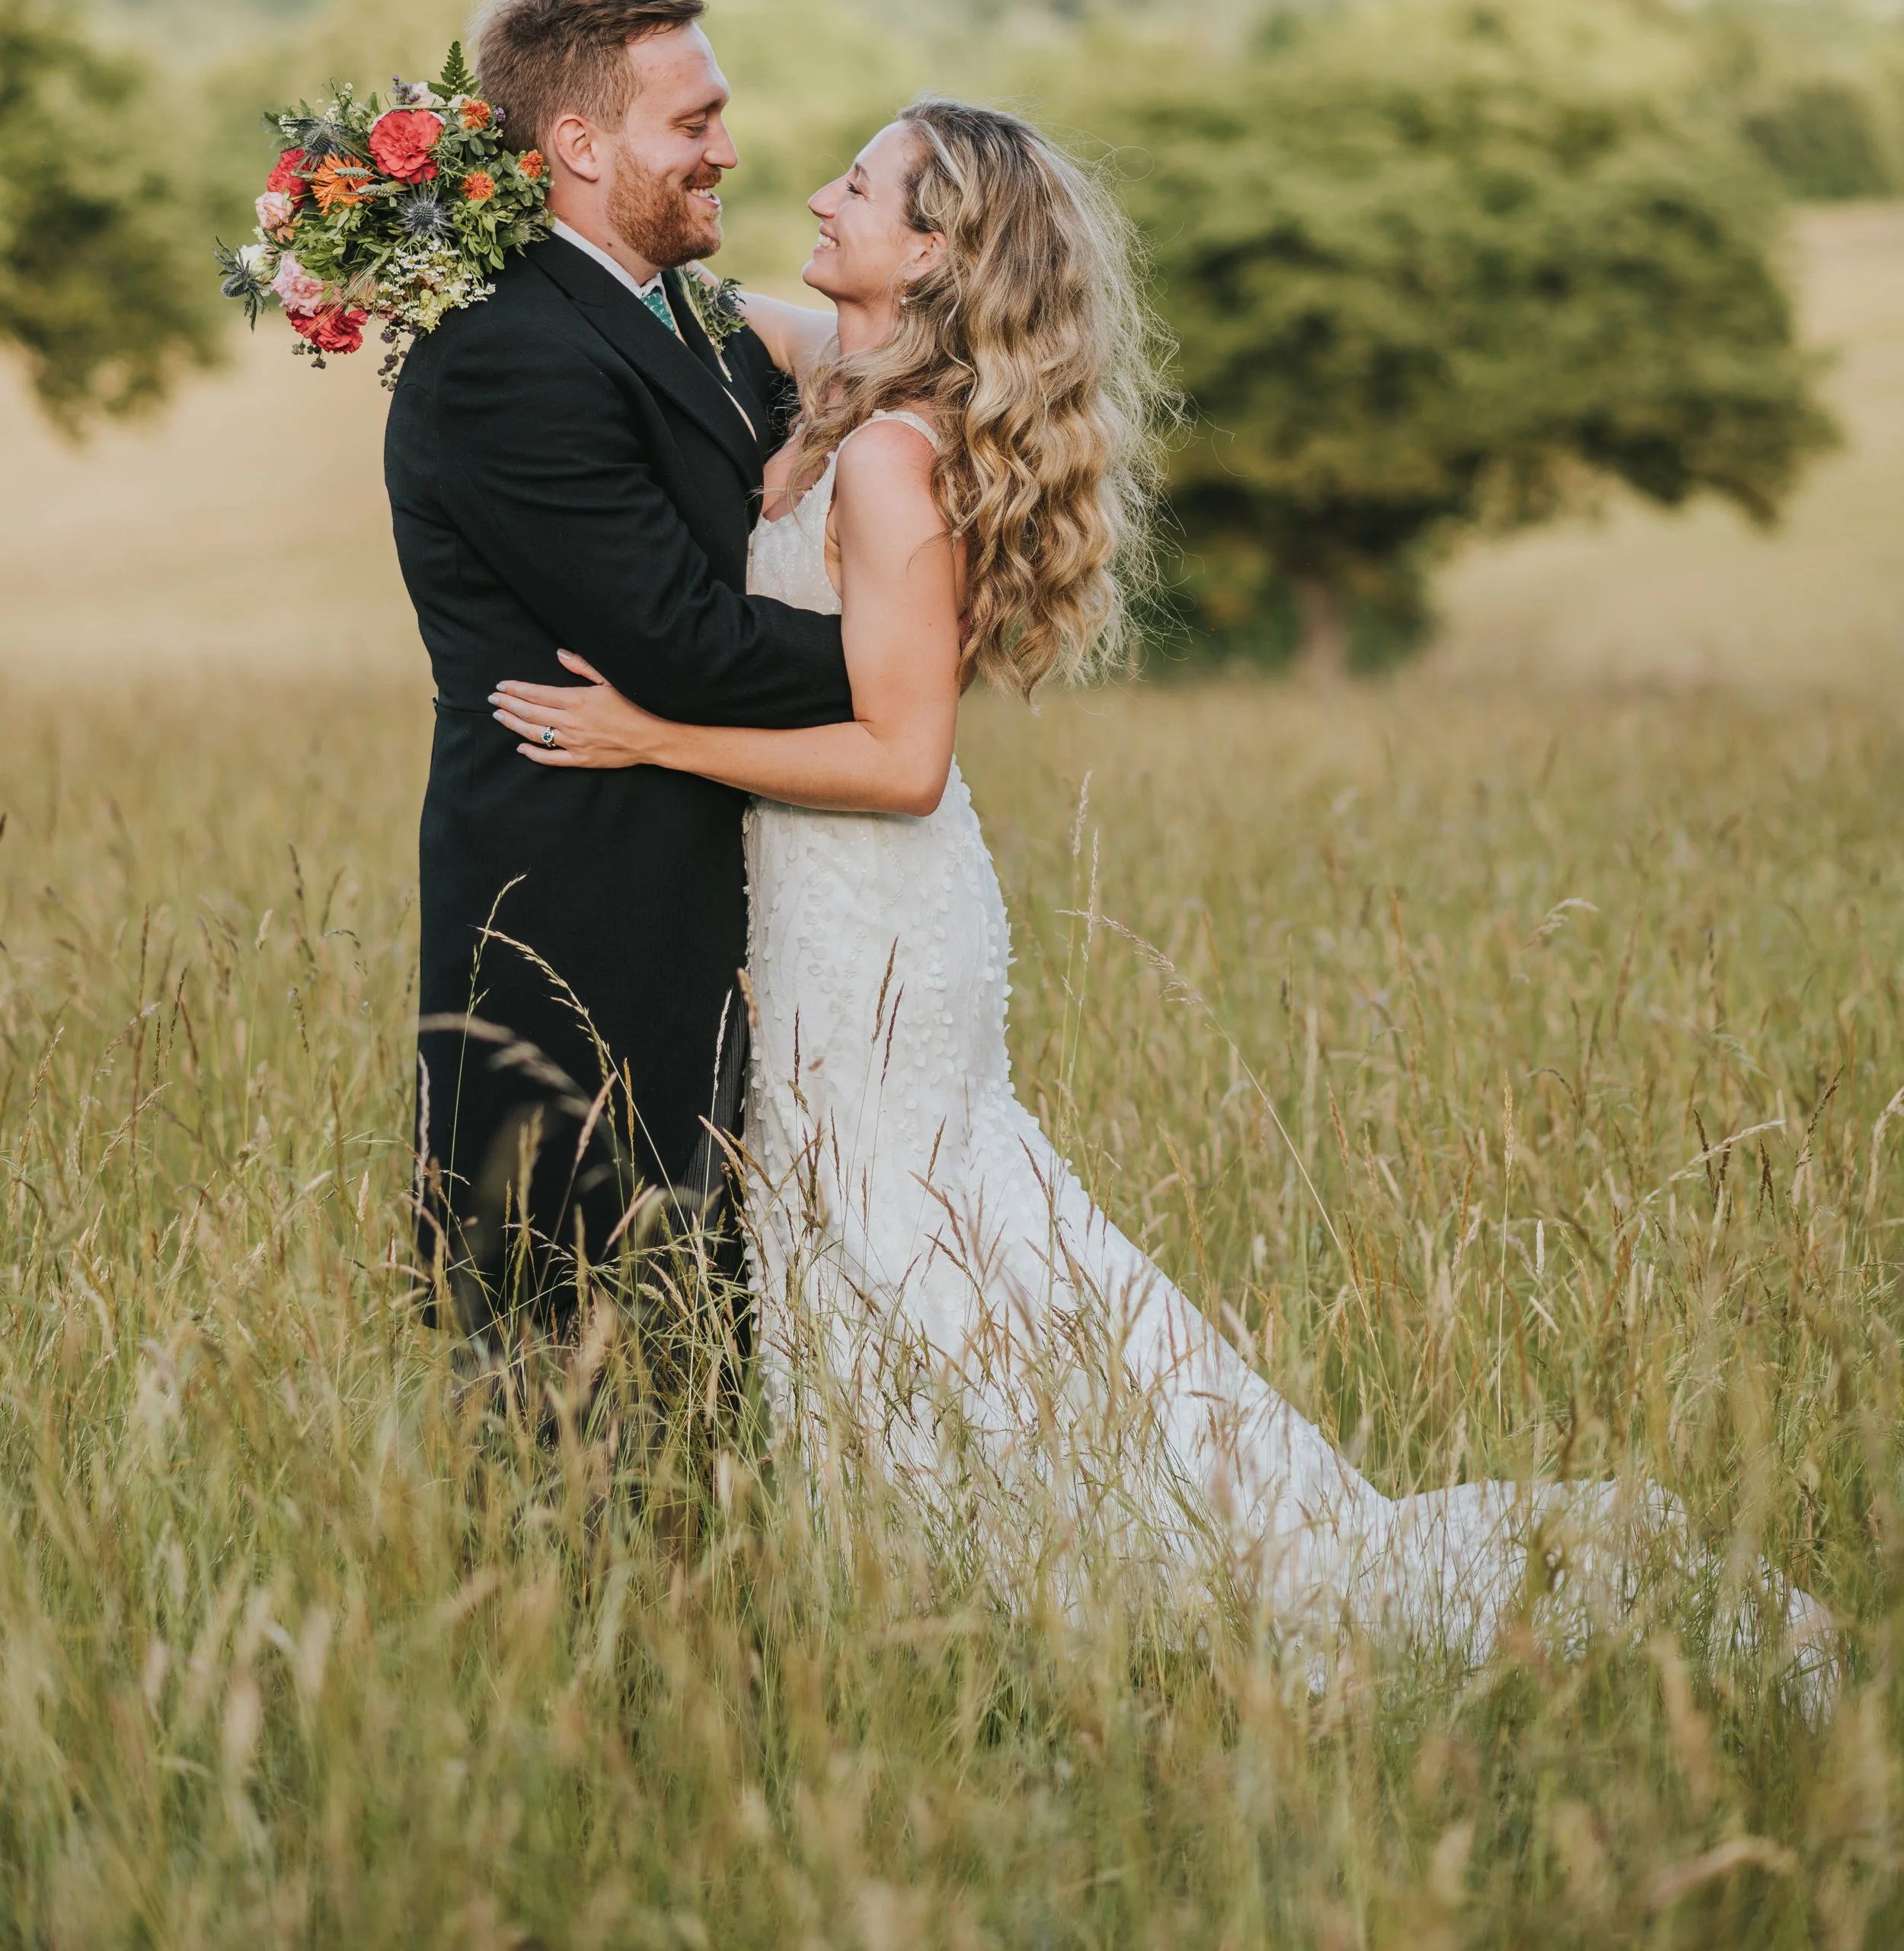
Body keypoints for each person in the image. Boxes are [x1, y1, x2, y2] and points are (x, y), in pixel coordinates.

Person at [490, 97, 1830, 1676]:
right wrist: (463, 209)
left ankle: (1124, 1570)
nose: (814, 193)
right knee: (884, 1241)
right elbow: (663, 306)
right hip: (827, 898)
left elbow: (902, 758)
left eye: (857, 185)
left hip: (874, 900)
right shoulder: (846, 385)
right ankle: (955, 1589)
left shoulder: (890, 461)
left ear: (932, 249)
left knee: (906, 1236)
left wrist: (654, 736)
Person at [385, 0, 852, 1324]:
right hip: (575, 924)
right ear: (579, 147)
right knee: (571, 1347)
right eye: (693, 122)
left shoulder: (675, 314)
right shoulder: (507, 353)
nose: (729, 149)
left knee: (698, 1342)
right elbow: (683, 644)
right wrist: (903, 664)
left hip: (706, 910)